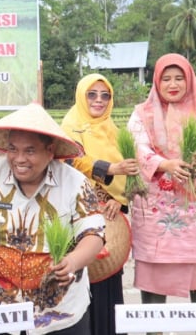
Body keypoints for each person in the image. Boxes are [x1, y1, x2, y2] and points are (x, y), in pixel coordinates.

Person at [0, 103, 105, 334]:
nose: (19, 159)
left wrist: (73, 261)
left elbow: (93, 234)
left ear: (50, 150)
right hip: (0, 313)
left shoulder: (74, 183)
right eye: (13, 149)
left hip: (61, 315)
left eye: (30, 151)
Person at [61, 74, 139, 335]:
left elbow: (130, 176)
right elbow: (71, 160)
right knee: (76, 281)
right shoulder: (69, 127)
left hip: (109, 224)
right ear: (81, 96)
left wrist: (119, 200)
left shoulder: (115, 132)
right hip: (75, 218)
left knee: (107, 283)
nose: (99, 100)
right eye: (92, 94)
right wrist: (110, 168)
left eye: (105, 95)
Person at [127, 53, 196, 323]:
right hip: (157, 213)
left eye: (179, 78)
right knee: (154, 286)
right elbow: (137, 147)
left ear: (189, 80)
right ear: (156, 81)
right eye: (166, 78)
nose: (173, 84)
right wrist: (165, 164)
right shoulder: (141, 114)